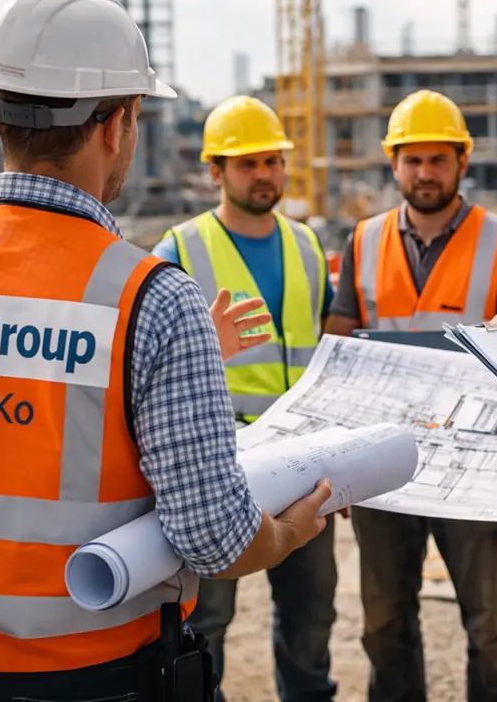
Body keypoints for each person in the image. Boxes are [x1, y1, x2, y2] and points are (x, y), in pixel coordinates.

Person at [0, 0, 331, 702]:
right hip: (95, 679)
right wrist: (285, 536)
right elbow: (213, 539)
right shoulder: (149, 299)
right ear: (118, 124)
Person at [324, 88, 497, 701]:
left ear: (461, 162)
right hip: (381, 469)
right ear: (394, 164)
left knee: (492, 627)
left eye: (437, 159)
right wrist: (339, 468)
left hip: (475, 473)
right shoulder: (362, 242)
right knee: (384, 624)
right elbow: (340, 358)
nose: (425, 173)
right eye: (412, 159)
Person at [152, 94, 338, 702]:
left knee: (311, 619)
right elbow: (147, 375)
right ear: (215, 171)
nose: (264, 174)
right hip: (217, 462)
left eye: (272, 161)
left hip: (304, 458)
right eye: (247, 163)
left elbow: (321, 349)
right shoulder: (177, 252)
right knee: (205, 624)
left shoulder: (308, 246)